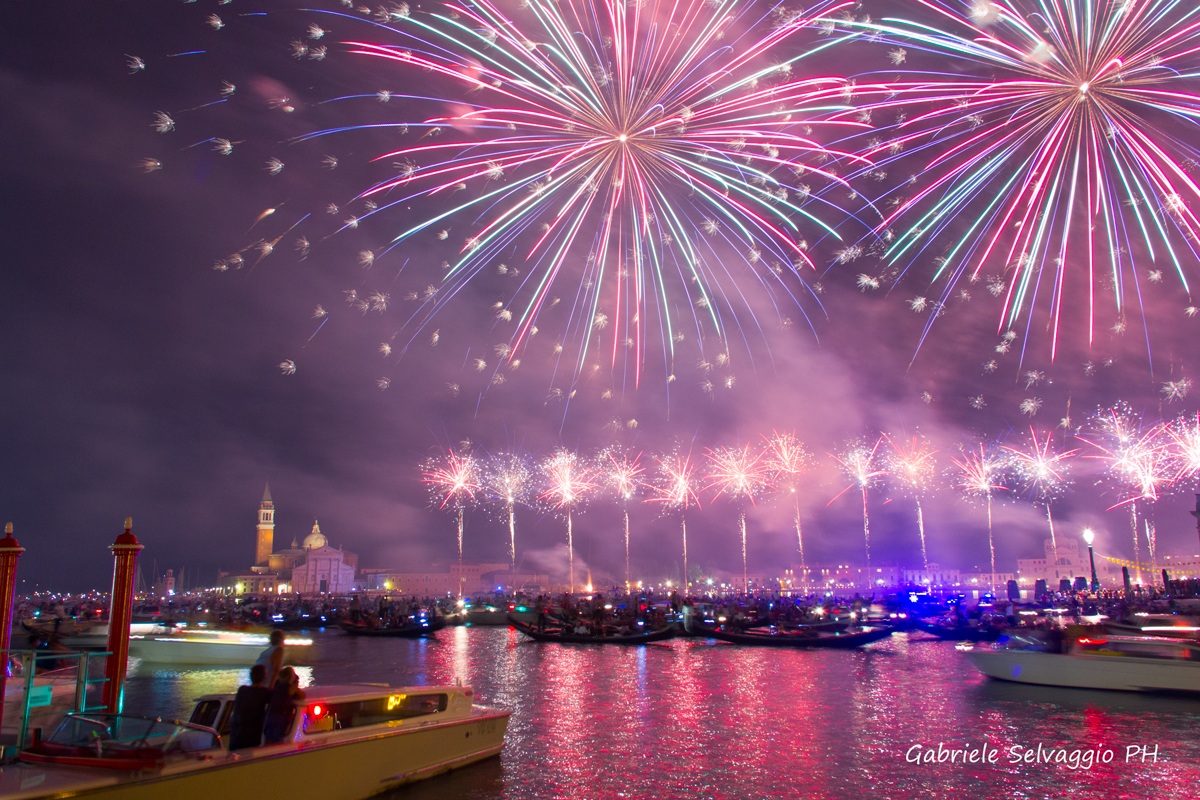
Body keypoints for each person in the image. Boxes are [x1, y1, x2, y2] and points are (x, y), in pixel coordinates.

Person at [227, 664, 272, 751]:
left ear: (251, 676)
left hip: (237, 733)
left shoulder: (242, 690)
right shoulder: (264, 693)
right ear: (264, 678)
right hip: (252, 735)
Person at [262, 666, 305, 745]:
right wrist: (295, 684)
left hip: (270, 714)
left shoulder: (277, 684)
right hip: (280, 716)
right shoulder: (290, 688)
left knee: (268, 740)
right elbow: (302, 696)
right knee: (277, 741)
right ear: (291, 678)